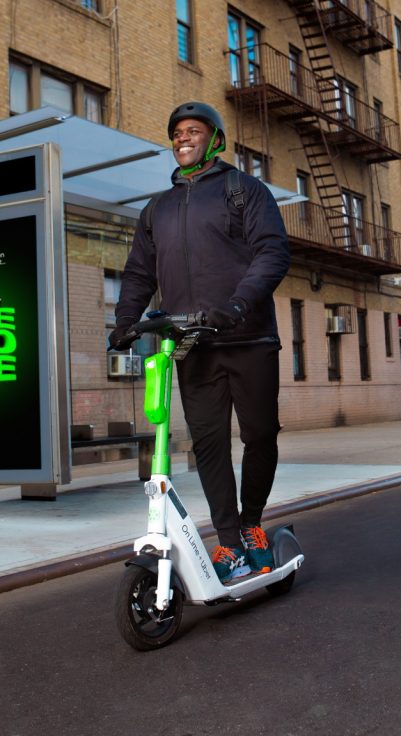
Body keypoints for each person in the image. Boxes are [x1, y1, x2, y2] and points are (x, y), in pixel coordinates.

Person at [109, 101, 291, 582]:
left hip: (248, 338)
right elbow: (138, 273)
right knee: (209, 446)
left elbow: (272, 253)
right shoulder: (157, 209)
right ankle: (229, 543)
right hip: (191, 344)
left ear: (214, 139)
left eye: (193, 130)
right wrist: (126, 321)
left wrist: (238, 305)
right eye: (176, 132)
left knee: (259, 435)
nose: (182, 138)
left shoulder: (245, 192)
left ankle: (252, 523)